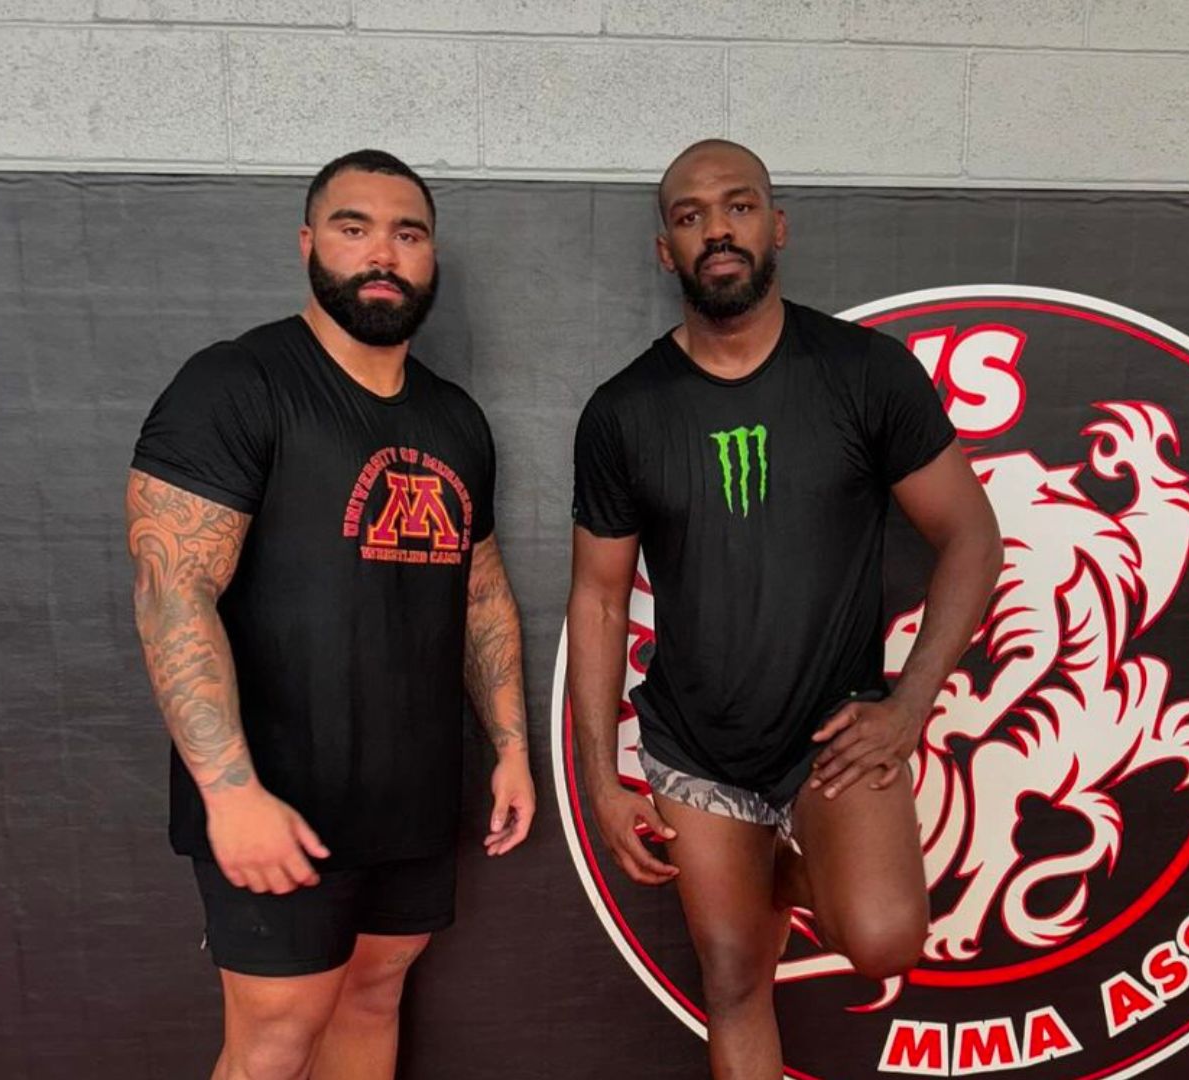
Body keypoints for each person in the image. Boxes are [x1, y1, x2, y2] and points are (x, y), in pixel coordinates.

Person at [567, 139, 1002, 1080]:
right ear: (664, 250)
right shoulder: (623, 411)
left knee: (884, 936)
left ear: (776, 226)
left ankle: (773, 874)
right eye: (689, 216)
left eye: (737, 206)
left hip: (834, 733)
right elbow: (599, 599)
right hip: (696, 743)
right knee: (731, 981)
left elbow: (971, 537)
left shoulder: (864, 373)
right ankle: (749, 876)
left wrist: (910, 703)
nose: (715, 229)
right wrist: (601, 777)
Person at [126, 149, 534, 1080]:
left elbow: (478, 593)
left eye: (408, 233)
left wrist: (509, 745)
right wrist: (229, 793)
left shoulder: (456, 420)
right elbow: (169, 589)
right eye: (354, 228)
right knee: (273, 1038)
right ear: (310, 244)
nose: (382, 252)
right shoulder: (236, 383)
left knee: (372, 995)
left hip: (413, 796)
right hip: (276, 795)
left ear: (431, 257)